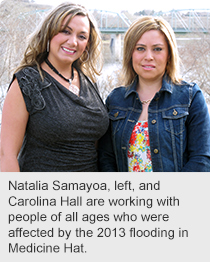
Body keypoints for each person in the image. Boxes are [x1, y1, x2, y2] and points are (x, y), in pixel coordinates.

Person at [0, 2, 109, 172]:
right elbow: (6, 155)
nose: (73, 42)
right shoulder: (27, 82)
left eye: (82, 36)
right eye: (65, 31)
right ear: (49, 33)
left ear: (87, 44)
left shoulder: (89, 82)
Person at [98, 16, 210, 172]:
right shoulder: (115, 100)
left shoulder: (190, 97)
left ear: (169, 54)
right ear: (130, 54)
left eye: (157, 49)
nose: (148, 56)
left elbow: (201, 159)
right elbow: (106, 158)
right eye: (140, 48)